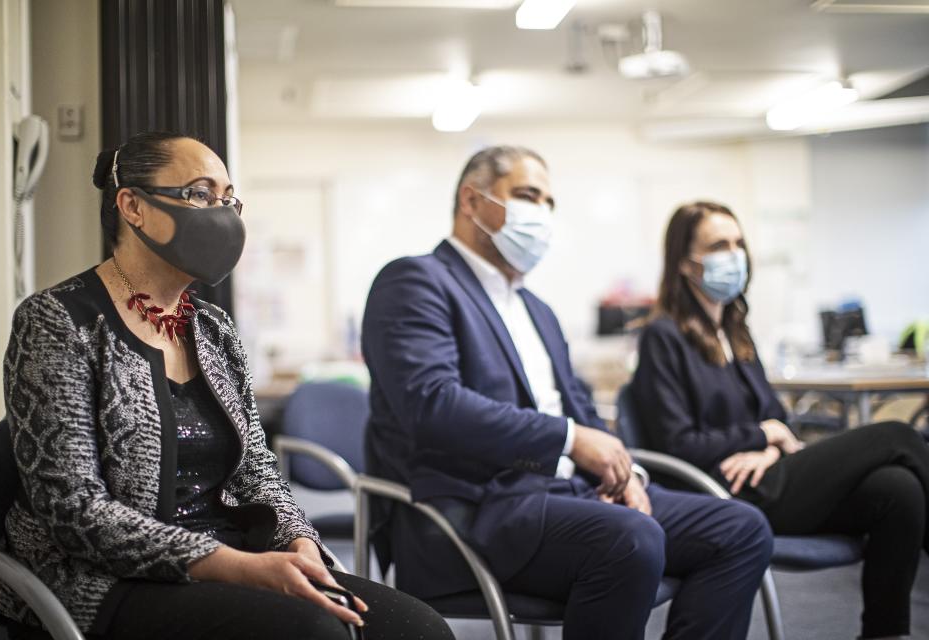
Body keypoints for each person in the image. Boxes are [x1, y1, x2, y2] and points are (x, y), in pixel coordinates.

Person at [0, 131, 455, 640]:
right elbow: (73, 510)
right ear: (133, 206)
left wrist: (298, 540)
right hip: (99, 574)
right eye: (199, 193)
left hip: (231, 551)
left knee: (420, 628)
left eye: (228, 198)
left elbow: (257, 468)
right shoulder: (58, 320)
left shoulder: (212, 327)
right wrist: (233, 565)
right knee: (312, 632)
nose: (222, 212)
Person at [361, 147, 774, 640]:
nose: (542, 213)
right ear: (472, 201)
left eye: (549, 202)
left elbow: (579, 407)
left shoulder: (537, 309)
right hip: (477, 510)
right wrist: (570, 440)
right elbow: (432, 405)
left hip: (571, 493)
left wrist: (627, 473)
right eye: (527, 195)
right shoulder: (416, 280)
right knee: (631, 539)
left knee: (741, 528)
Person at [630, 200, 929, 640]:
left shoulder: (735, 329)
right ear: (684, 262)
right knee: (899, 436)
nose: (734, 254)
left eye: (738, 243)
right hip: (724, 490)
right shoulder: (663, 336)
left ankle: (884, 634)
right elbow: (676, 444)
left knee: (898, 490)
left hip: (768, 474)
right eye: (718, 245)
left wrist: (767, 446)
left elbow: (777, 417)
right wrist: (760, 435)